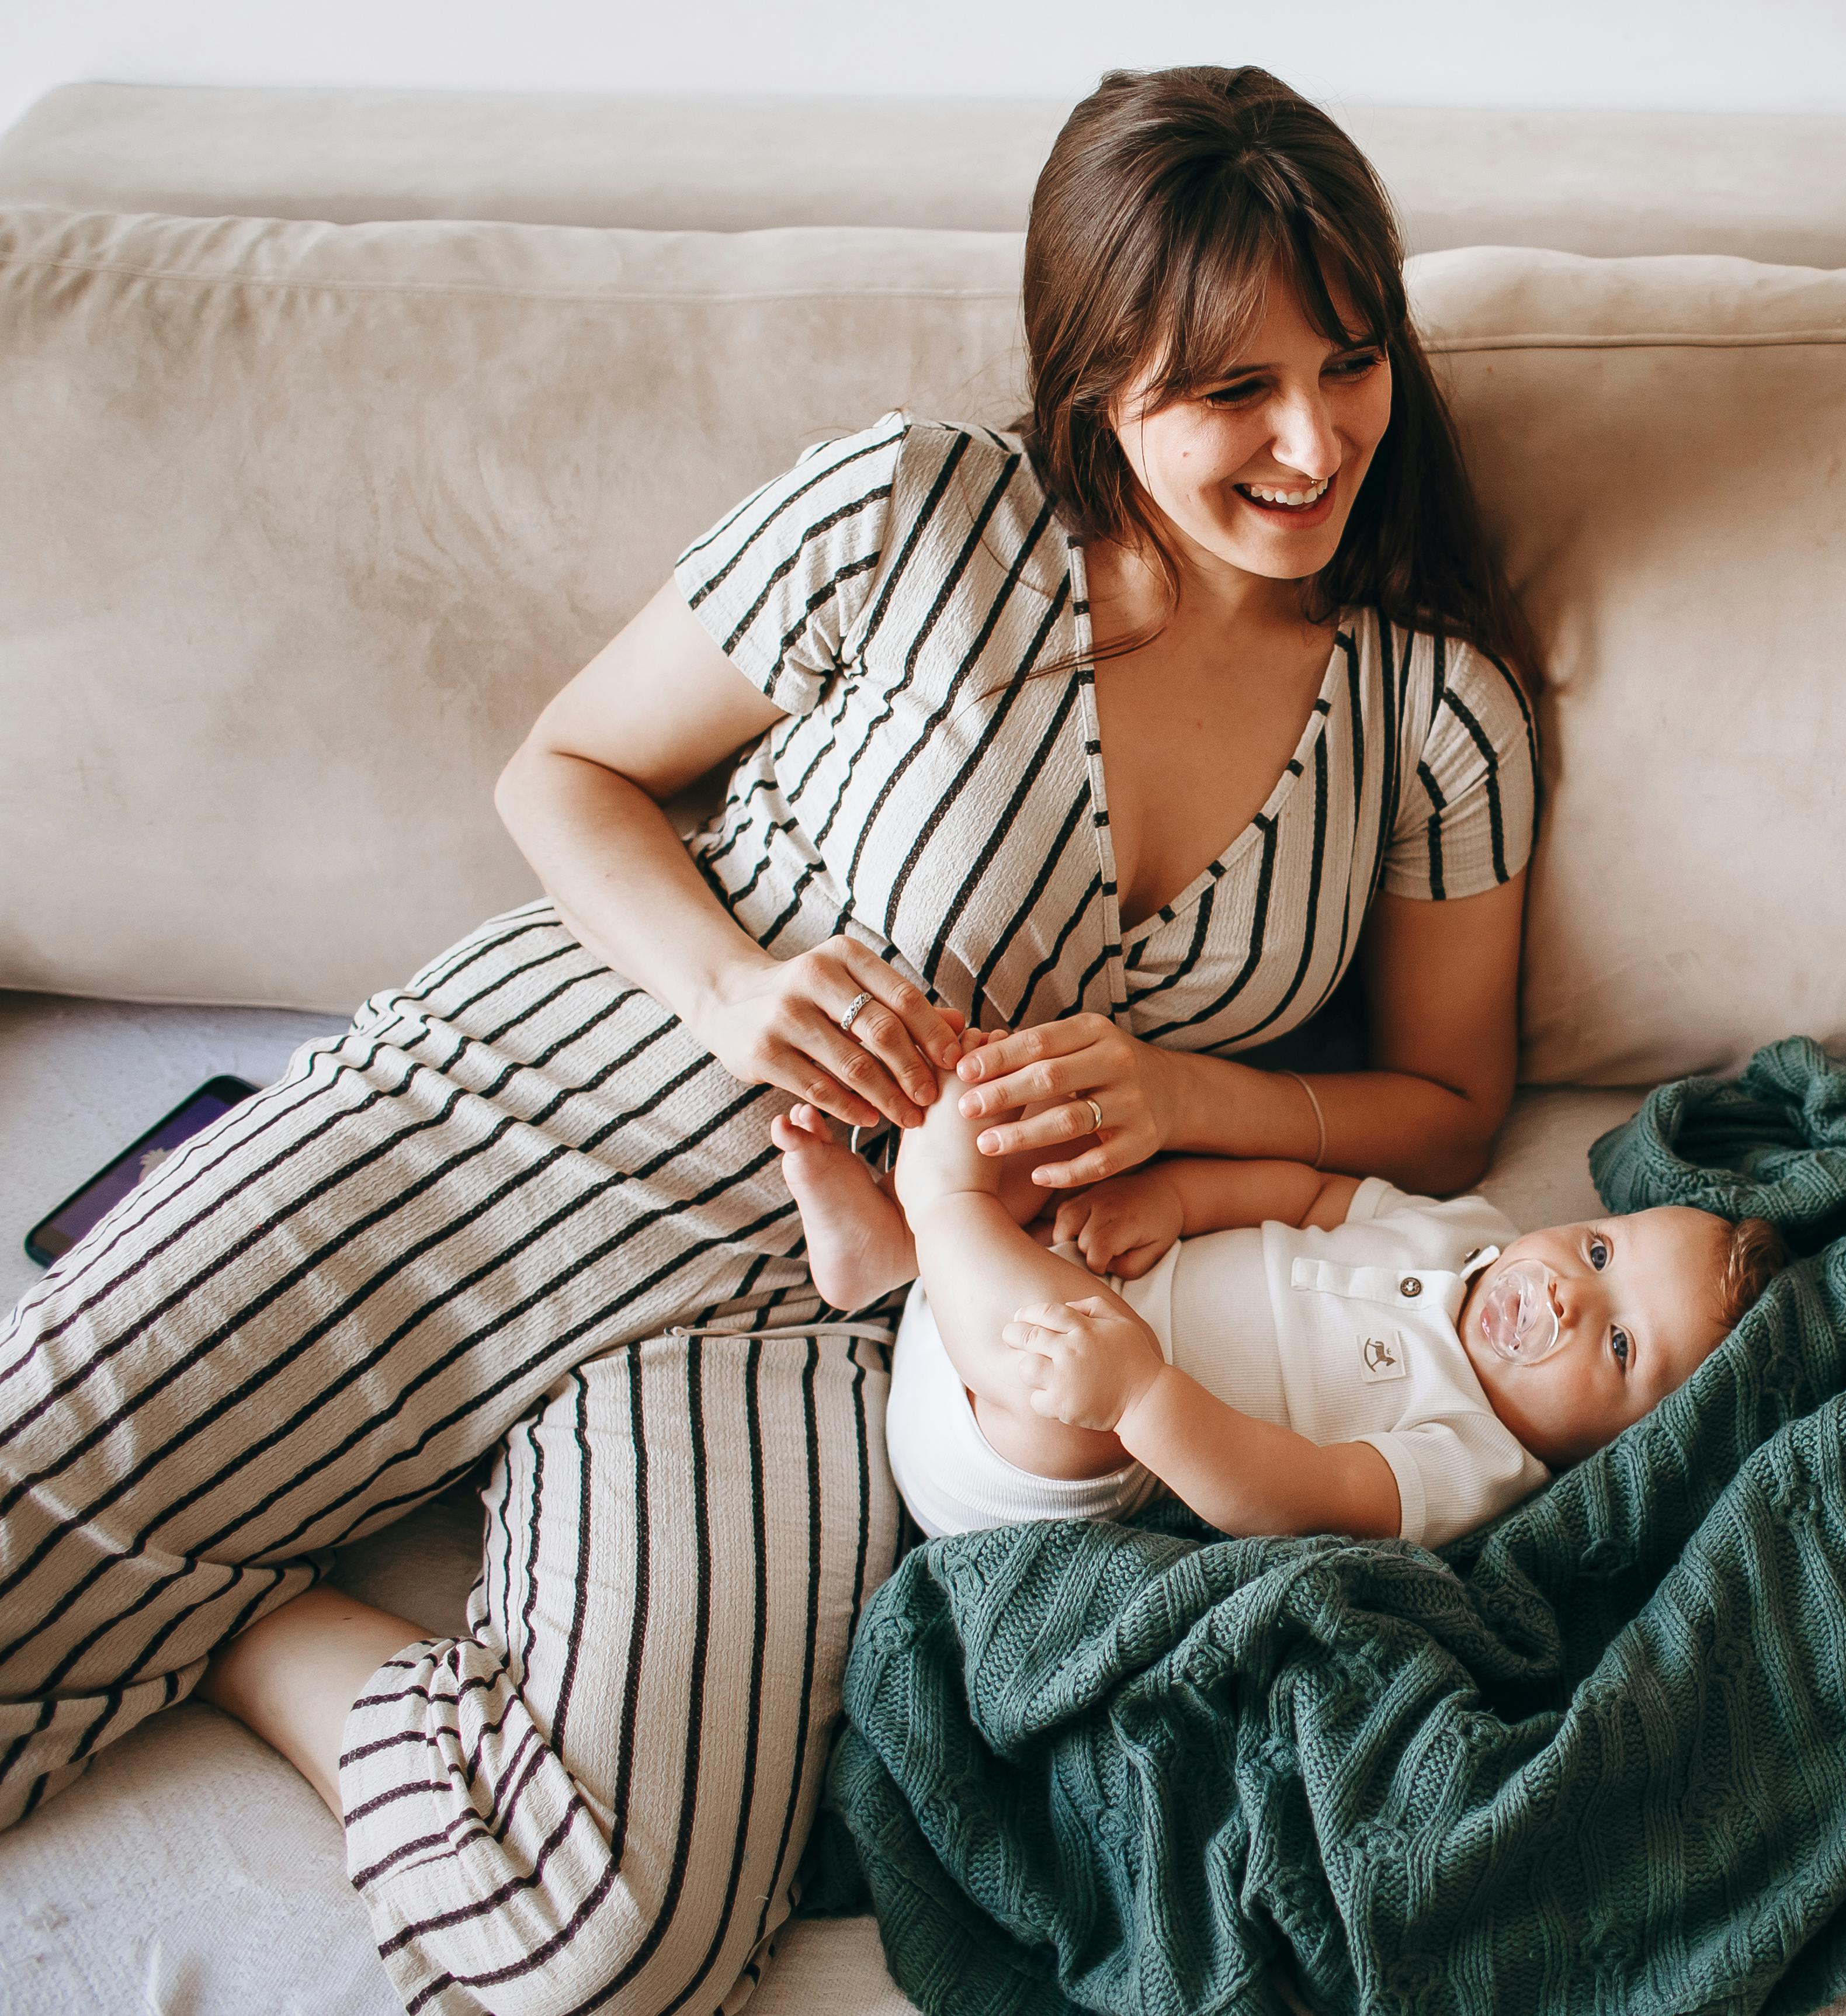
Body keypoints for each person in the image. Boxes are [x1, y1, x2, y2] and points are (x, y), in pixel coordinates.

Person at [0, 65, 1534, 2016]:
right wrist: (732, 987)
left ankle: (244, 1623)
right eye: (1231, 390)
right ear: (1094, 381)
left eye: (1351, 357)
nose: (1315, 440)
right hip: (544, 1108)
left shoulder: (1432, 715)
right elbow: (563, 772)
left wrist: (1181, 1095)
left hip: (836, 1328)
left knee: (604, 1954)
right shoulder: (909, 507)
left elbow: (1452, 1103)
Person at [775, 1066, 1781, 1548]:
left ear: (1616, 1451)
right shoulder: (1466, 1229)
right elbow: (1304, 1194)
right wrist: (1172, 1198)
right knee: (1060, 1154)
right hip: (1040, 1282)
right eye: (1601, 1249)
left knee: (1075, 1377)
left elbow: (1297, 1493)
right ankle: (899, 1260)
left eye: (1615, 1343)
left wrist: (1138, 1400)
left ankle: (935, 1208)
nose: (1567, 1290)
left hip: (1024, 1449)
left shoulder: (1475, 1463)